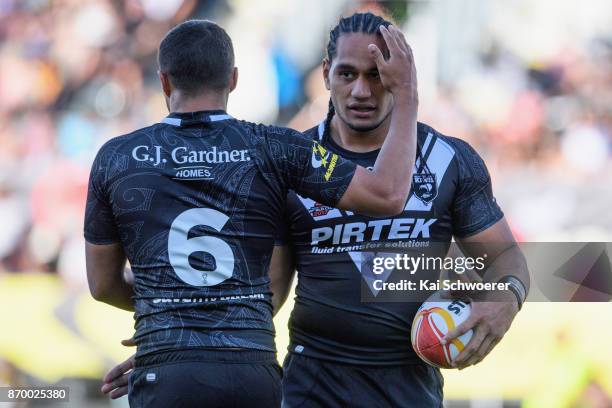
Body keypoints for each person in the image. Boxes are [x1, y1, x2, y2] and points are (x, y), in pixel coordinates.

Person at [101, 13, 529, 408]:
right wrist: (191, 346)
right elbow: (264, 291)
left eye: (378, 76)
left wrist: (505, 300)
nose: (361, 90)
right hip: (312, 385)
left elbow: (506, 258)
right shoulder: (290, 162)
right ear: (326, 74)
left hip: (410, 385)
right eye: (347, 74)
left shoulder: (449, 159)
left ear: (401, 80)